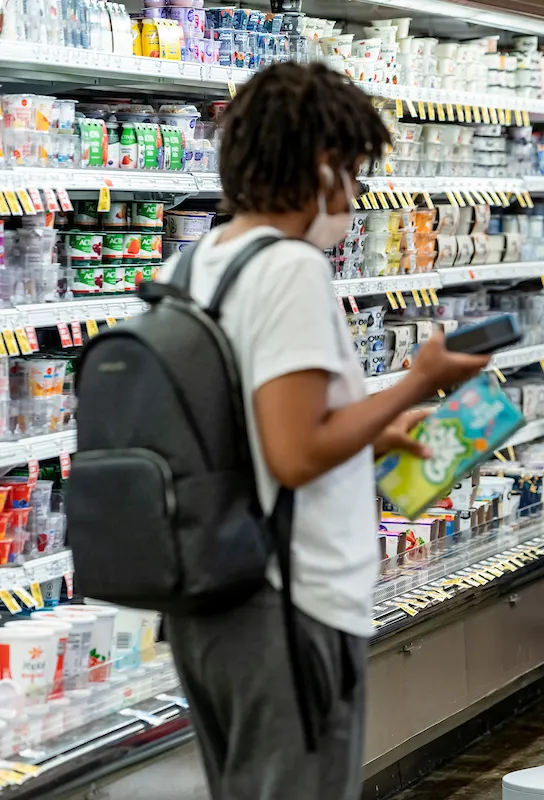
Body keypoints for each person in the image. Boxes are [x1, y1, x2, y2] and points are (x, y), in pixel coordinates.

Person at [157, 63, 490, 800]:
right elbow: (295, 451)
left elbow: (251, 436)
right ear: (320, 167)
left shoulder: (198, 265)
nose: (356, 195)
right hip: (288, 604)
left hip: (212, 598)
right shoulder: (289, 270)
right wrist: (419, 380)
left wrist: (377, 431)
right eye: (356, 172)